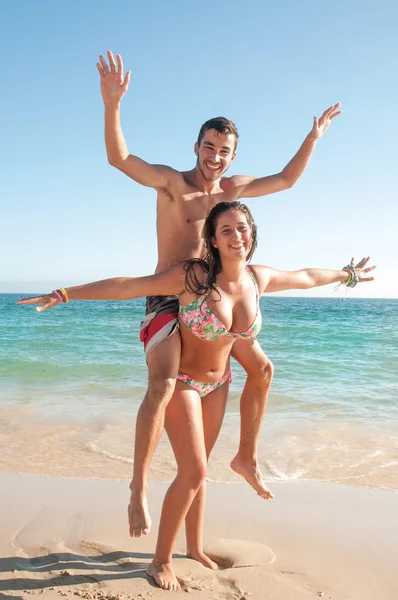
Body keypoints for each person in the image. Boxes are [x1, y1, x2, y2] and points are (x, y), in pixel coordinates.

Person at [18, 201, 375, 591]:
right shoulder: (195, 278)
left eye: (242, 228)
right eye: (226, 230)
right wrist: (64, 294)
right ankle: (159, 561)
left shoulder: (259, 278)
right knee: (195, 471)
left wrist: (349, 274)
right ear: (214, 240)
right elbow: (129, 286)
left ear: (252, 232)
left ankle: (195, 546)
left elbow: (306, 276)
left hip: (218, 384)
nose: (236, 236)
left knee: (199, 469)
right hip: (184, 382)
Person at [95, 50, 342, 538]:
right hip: (170, 296)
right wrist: (112, 104)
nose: (215, 157)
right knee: (164, 385)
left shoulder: (234, 190)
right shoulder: (172, 184)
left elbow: (288, 180)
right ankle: (138, 489)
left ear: (232, 155)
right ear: (197, 146)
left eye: (224, 151)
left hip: (214, 303)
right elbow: (119, 159)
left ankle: (239, 467)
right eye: (209, 147)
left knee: (257, 374)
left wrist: (312, 139)